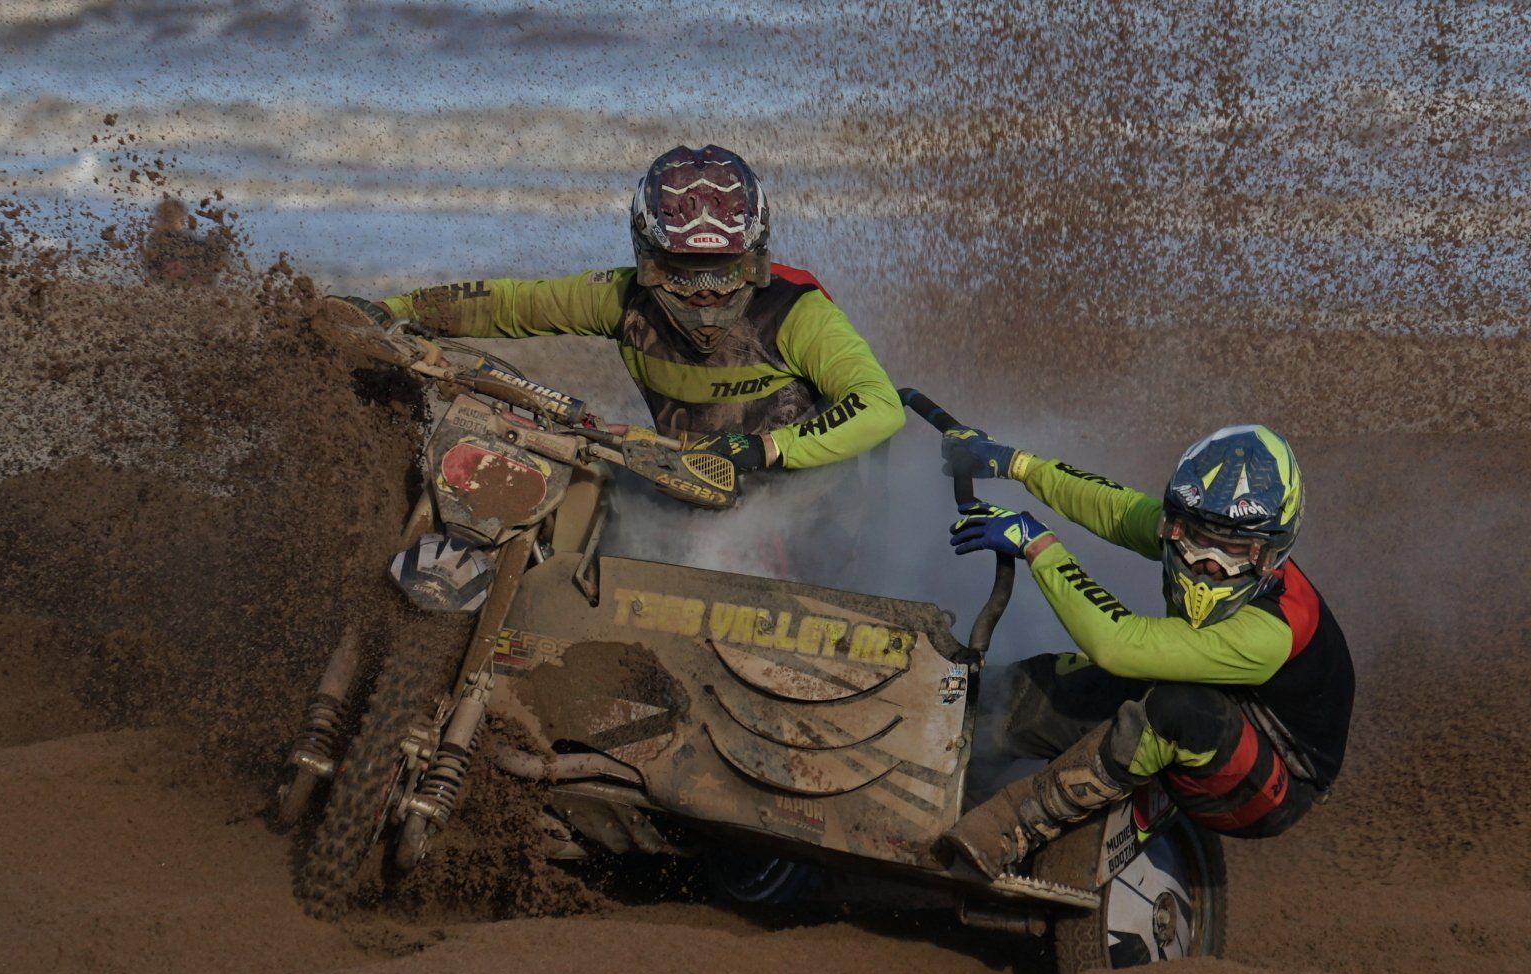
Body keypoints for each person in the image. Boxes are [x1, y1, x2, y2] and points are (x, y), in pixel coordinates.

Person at [934, 423, 1354, 879]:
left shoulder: (1274, 630)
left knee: (1178, 710)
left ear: (1270, 551)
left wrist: (1037, 544)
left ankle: (1011, 825)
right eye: (1196, 536)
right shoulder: (1177, 529)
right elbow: (1113, 506)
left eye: (1234, 547)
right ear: (1177, 522)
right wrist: (1014, 463)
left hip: (1274, 783)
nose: (1208, 561)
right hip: (1212, 703)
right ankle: (945, 766)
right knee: (1053, 680)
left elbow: (1117, 644)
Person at [335, 145, 902, 476]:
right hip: (683, 478)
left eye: (724, 271)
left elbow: (879, 406)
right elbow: (512, 304)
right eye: (682, 274)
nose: (704, 295)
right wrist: (392, 308)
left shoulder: (797, 313)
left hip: (807, 500)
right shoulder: (621, 297)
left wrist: (770, 449)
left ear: (754, 256)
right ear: (647, 256)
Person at [141, 197, 228, 286]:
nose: (166, 223)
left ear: (183, 220)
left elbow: (219, 251)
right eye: (162, 218)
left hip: (195, 288)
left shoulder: (189, 240)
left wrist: (187, 267)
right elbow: (151, 269)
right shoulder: (154, 240)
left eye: (170, 218)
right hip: (168, 287)